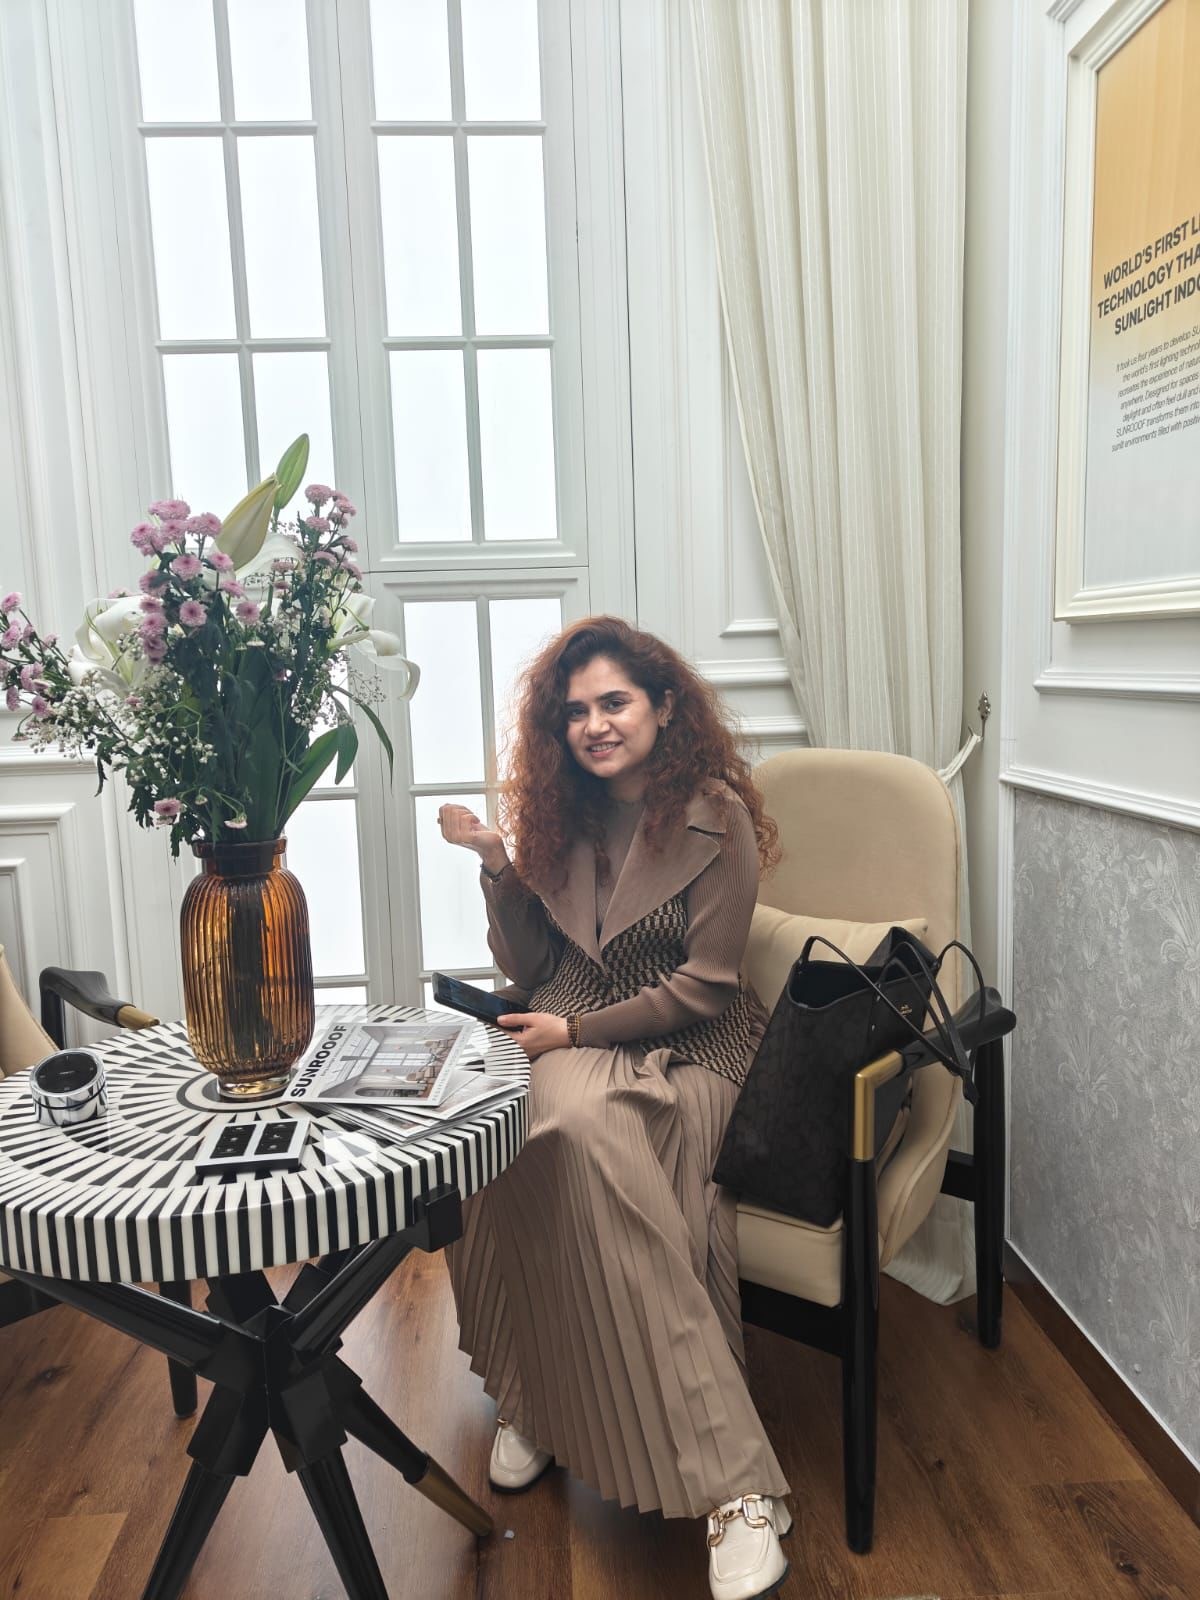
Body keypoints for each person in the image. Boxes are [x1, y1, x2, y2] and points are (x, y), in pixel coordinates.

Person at [437, 616, 792, 1600]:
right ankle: (535, 1393)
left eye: (615, 702)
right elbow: (534, 967)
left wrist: (575, 1038)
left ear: (664, 705)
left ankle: (735, 1489)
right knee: (500, 1133)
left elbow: (708, 989)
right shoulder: (566, 810)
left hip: (692, 1047)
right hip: (568, 1025)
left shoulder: (715, 812)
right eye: (578, 710)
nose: (594, 724)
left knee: (587, 1136)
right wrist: (499, 860)